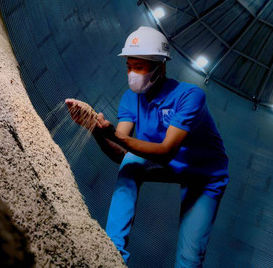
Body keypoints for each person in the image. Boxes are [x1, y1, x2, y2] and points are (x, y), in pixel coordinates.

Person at [66, 26, 229, 267]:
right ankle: (111, 252)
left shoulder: (190, 96)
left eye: (139, 67)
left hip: (205, 176)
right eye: (129, 67)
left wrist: (111, 133)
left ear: (160, 67)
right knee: (130, 165)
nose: (132, 74)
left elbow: (166, 152)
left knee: (189, 257)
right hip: (167, 163)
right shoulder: (130, 99)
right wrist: (95, 129)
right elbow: (120, 153)